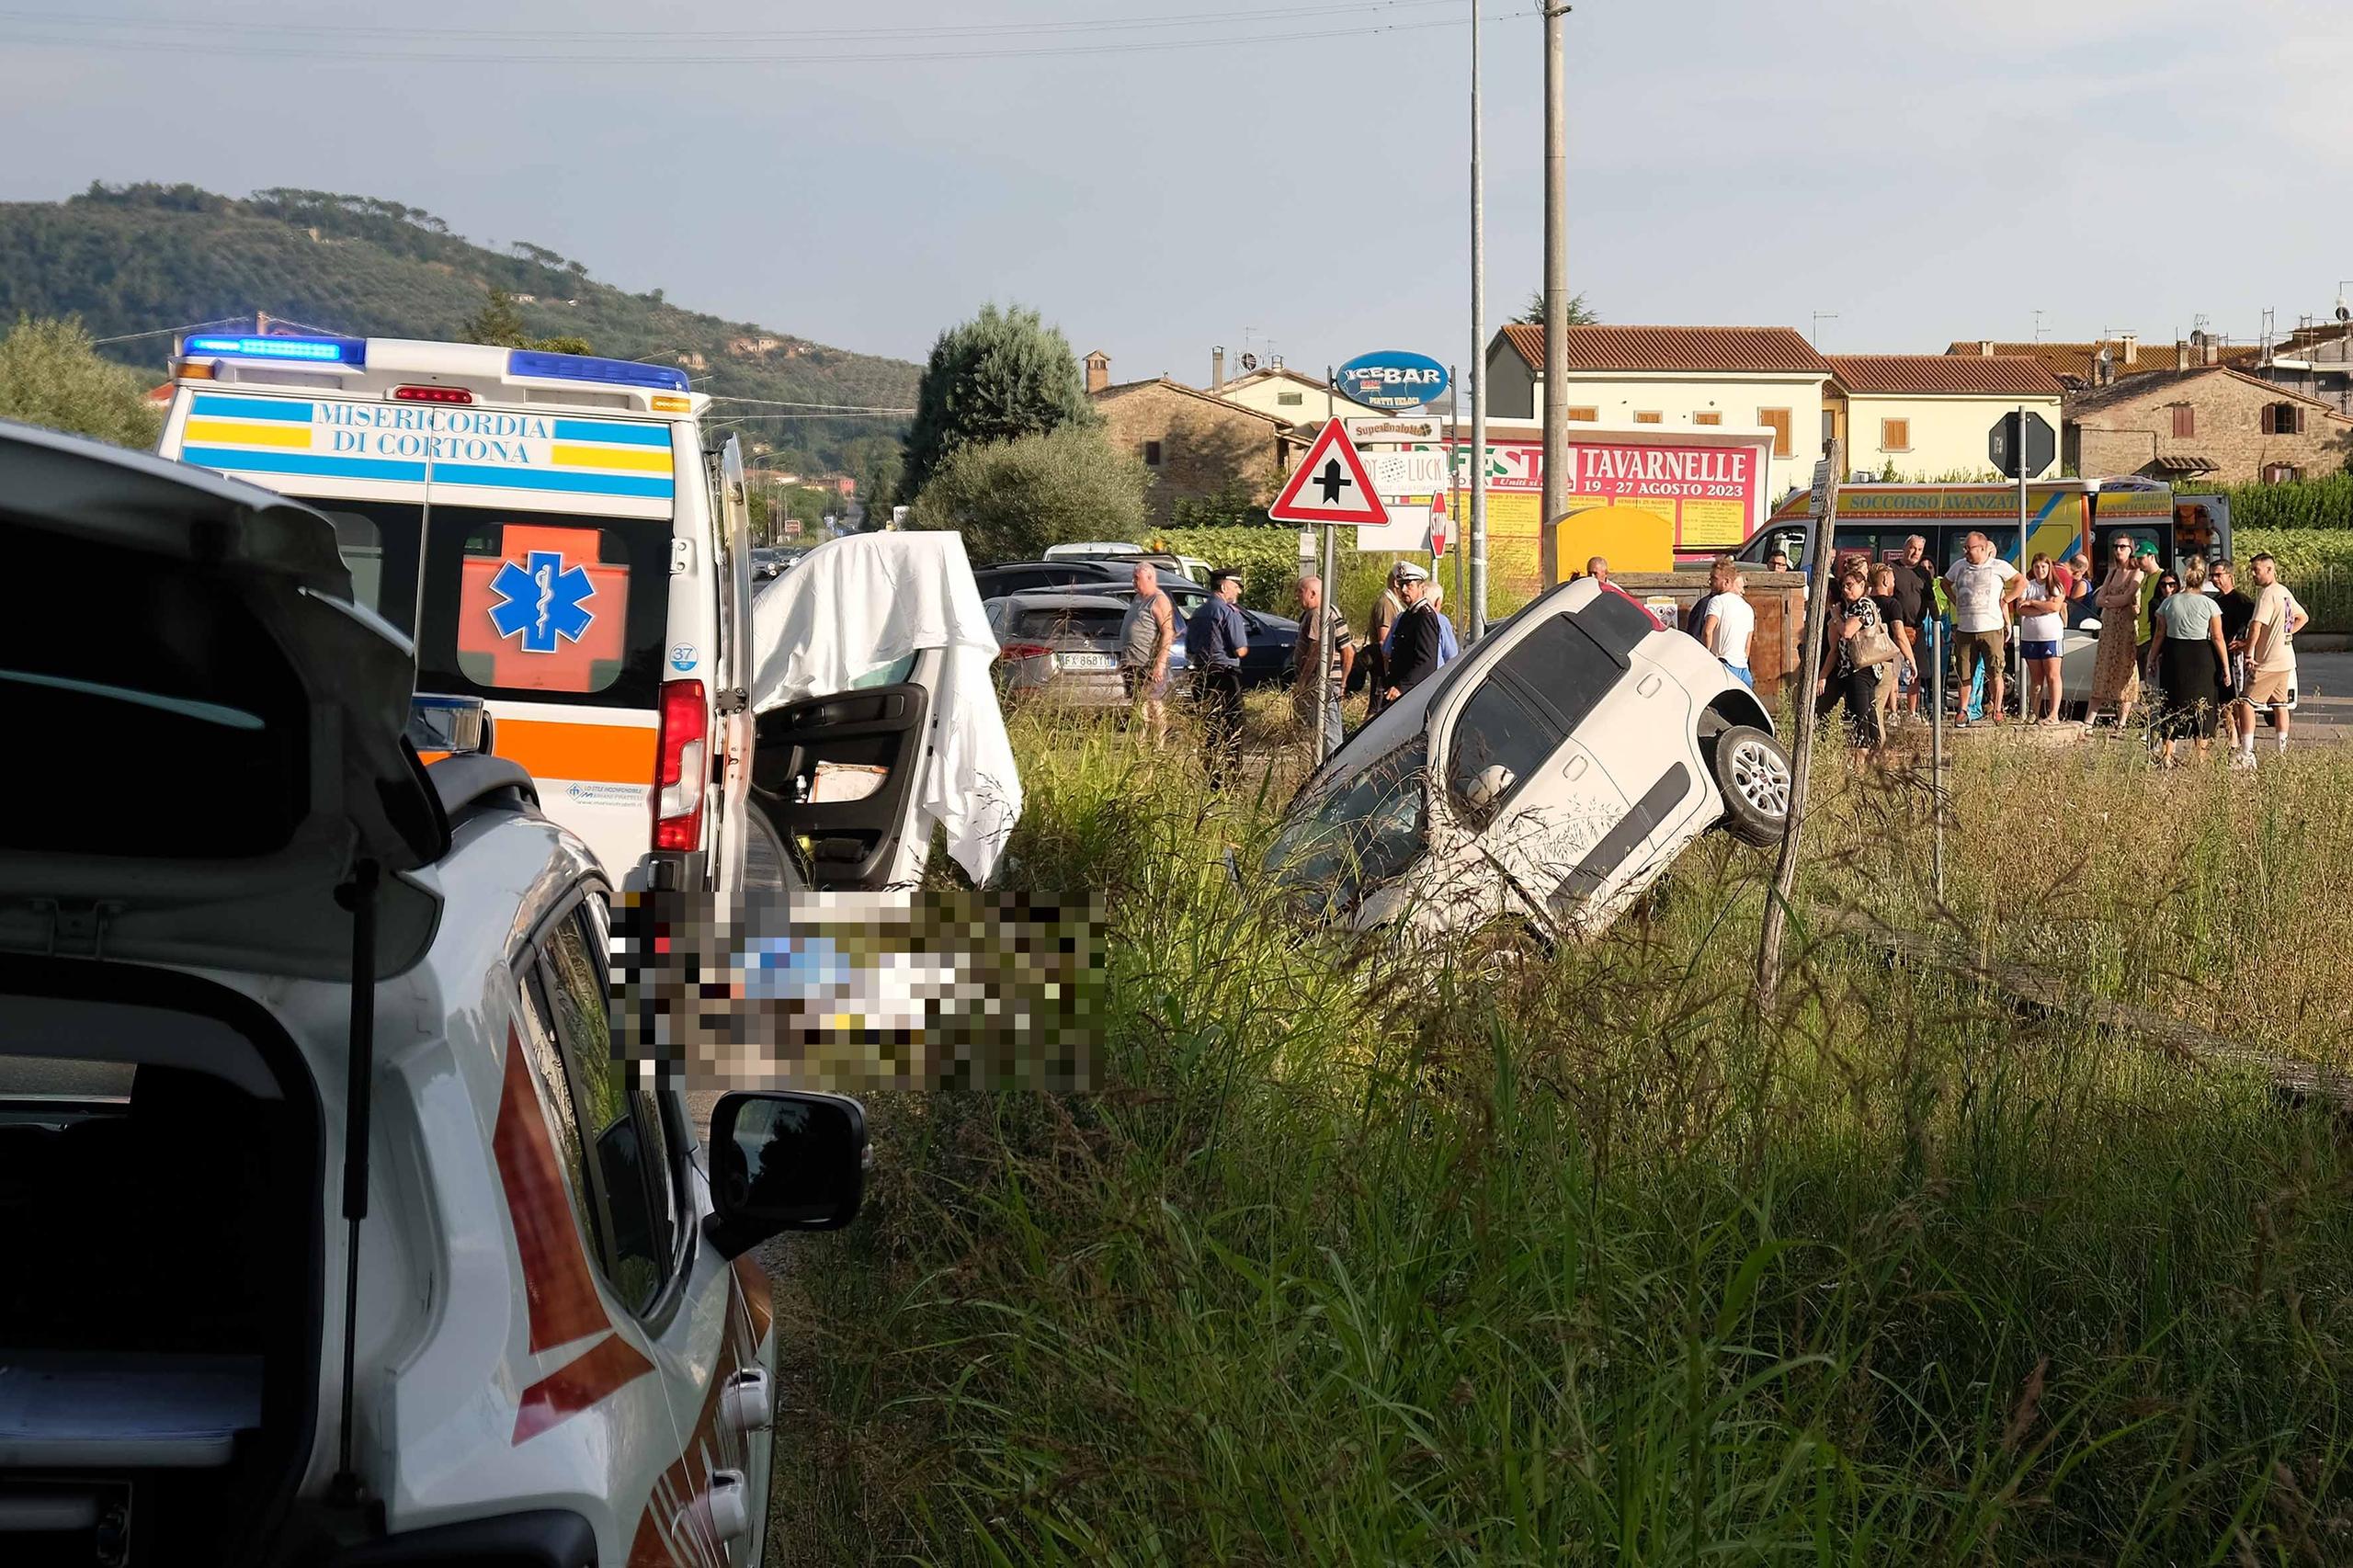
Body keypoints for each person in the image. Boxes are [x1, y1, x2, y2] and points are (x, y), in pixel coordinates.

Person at [2144, 563, 2227, 767]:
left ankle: (2167, 754)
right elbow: (2217, 637)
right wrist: (2225, 666)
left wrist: (2151, 658)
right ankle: (2200, 756)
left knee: (2172, 701)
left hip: (2175, 654)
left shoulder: (2169, 603)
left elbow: (2159, 634)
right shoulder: (2210, 605)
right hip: (2202, 655)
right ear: (2202, 579)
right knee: (2203, 704)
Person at [1943, 530, 2020, 728]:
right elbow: (1945, 583)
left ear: (1984, 548)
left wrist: (2005, 601)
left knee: (1995, 671)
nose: (1966, 552)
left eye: (1970, 548)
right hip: (1965, 629)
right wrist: (1955, 600)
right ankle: (1963, 710)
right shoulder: (1959, 566)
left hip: (1991, 628)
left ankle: (1997, 709)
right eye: (1965, 548)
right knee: (1965, 672)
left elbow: (2021, 582)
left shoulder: (1998, 566)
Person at [1816, 559, 1889, 754]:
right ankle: (1872, 761)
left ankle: (1862, 764)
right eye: (1843, 586)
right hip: (1853, 669)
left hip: (1861, 668)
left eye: (1850, 585)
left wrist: (1836, 616)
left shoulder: (1862, 605)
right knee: (1867, 715)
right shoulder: (1850, 607)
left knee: (1862, 718)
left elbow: (1848, 631)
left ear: (1862, 585)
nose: (1846, 590)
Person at [1185, 570, 1249, 789]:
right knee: (1233, 727)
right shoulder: (1229, 612)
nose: (1239, 590)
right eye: (1236, 586)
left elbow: (1190, 648)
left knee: (1208, 728)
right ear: (1223, 587)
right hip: (1225, 675)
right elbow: (1240, 650)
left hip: (1201, 676)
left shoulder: (1198, 613)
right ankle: (1234, 780)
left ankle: (1211, 779)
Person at [2245, 552, 2311, 760]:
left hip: (2268, 660)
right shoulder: (2284, 592)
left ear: (2270, 570)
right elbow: (2303, 617)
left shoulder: (2268, 594)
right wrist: (2287, 633)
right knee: (2280, 705)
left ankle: (2246, 752)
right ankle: (2281, 751)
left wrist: (2249, 652)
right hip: (2286, 660)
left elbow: (2256, 625)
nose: (2253, 575)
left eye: (2257, 570)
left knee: (2246, 703)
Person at [1291, 574, 1353, 756]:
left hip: (1321, 683)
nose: (1297, 596)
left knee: (1328, 732)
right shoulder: (1331, 612)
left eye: (1300, 592)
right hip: (1329, 683)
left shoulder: (1317, 614)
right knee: (1326, 728)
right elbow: (1348, 650)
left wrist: (1303, 680)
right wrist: (1342, 681)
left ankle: (1332, 771)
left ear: (1312, 594)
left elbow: (1316, 649)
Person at [1117, 562, 1176, 749]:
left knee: (1154, 704)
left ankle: (1159, 745)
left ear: (1149, 577)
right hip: (1132, 662)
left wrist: (1159, 663)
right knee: (1138, 705)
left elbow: (1168, 632)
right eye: (1133, 577)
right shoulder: (1138, 599)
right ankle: (1140, 744)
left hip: (1148, 663)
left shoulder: (1159, 600)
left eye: (1137, 578)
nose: (1133, 582)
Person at [2090, 535, 2143, 727]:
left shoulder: (2137, 572)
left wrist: (2110, 602)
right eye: (2116, 546)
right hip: (2109, 629)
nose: (2118, 550)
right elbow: (2098, 599)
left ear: (2131, 549)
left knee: (2125, 672)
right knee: (2102, 671)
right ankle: (2090, 720)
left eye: (2122, 546)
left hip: (2126, 629)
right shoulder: (2111, 573)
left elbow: (2127, 598)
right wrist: (2114, 601)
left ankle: (2122, 722)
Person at [2211, 559, 2257, 765]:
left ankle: (2243, 742)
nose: (2214, 579)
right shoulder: (2214, 601)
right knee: (2224, 703)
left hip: (2237, 659)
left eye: (2218, 575)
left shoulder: (2243, 602)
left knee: (2238, 701)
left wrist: (2245, 643)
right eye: (2211, 575)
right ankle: (2232, 742)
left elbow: (2257, 628)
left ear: (2230, 575)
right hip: (2219, 657)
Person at [1381, 562, 1443, 704]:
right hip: (1400, 693)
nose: (1404, 590)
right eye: (1401, 584)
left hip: (1412, 695)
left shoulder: (1424, 616)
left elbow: (1426, 662)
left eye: (1409, 585)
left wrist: (1401, 688)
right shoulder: (1407, 615)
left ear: (1421, 588)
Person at [2016, 553, 2066, 723]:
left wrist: (2033, 603)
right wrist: (2041, 607)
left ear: (2049, 568)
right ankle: (2034, 712)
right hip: (2030, 636)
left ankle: (2053, 714)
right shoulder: (2027, 586)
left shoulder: (2055, 586)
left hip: (2051, 635)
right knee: (2036, 677)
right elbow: (2021, 609)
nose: (2040, 570)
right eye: (2037, 567)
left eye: (2043, 567)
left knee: (2052, 675)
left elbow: (2054, 606)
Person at [1868, 562, 1915, 728]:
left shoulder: (1863, 603)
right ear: (1886, 581)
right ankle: (1883, 726)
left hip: (1864, 658)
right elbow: (1899, 634)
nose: (1894, 584)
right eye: (1893, 580)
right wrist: (1911, 659)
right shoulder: (1892, 604)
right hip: (1885, 656)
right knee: (1881, 701)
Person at [1696, 557, 1754, 687]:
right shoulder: (1747, 608)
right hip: (1744, 670)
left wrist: (1707, 659)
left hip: (1724, 665)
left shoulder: (1717, 601)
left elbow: (1707, 631)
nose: (1710, 581)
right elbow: (1747, 647)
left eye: (1714, 578)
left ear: (1726, 582)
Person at [1363, 564, 1405, 718]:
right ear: (1396, 583)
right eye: (1404, 583)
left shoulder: (1393, 603)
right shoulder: (1386, 604)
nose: (1406, 588)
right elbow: (1384, 640)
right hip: (1382, 666)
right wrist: (1389, 670)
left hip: (1386, 665)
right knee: (1376, 708)